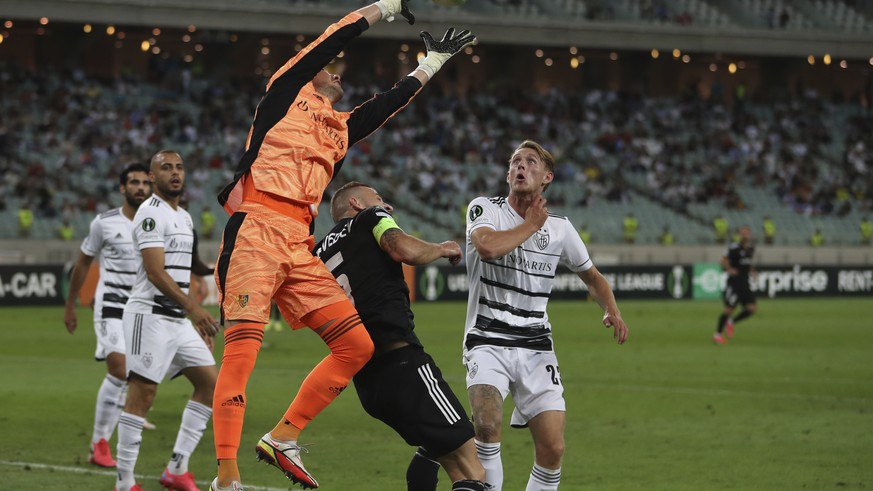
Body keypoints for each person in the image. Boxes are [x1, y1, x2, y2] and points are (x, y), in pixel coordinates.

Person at [210, 1, 476, 489]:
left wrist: (431, 63)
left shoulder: (337, 129)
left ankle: (282, 437)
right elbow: (335, 37)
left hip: (298, 241)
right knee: (242, 351)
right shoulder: (284, 92)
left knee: (356, 344)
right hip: (257, 226)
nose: (338, 76)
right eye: (331, 72)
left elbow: (386, 105)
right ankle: (227, 475)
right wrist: (388, 7)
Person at [463, 140, 629, 490]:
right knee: (487, 427)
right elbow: (488, 247)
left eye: (531, 162)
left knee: (553, 448)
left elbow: (593, 277)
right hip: (487, 338)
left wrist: (611, 309)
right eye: (515, 162)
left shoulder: (561, 228)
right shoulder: (484, 209)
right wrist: (532, 225)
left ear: (547, 177)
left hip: (536, 344)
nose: (520, 166)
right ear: (508, 173)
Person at [314, 182, 489, 491]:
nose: (387, 206)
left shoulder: (319, 251)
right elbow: (402, 249)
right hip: (401, 363)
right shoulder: (370, 217)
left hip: (366, 381)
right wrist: (441, 247)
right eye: (378, 198)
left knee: (437, 451)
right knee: (471, 469)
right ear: (356, 203)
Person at [115, 150, 219, 491]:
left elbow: (194, 266)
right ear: (152, 176)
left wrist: (224, 261)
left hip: (176, 318)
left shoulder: (185, 217)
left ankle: (177, 468)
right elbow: (155, 272)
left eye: (179, 167)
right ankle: (124, 481)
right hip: (150, 315)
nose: (175, 173)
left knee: (210, 386)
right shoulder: (150, 214)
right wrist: (195, 309)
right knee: (143, 394)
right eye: (165, 168)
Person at [64, 163, 152, 469]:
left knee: (136, 376)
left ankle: (115, 436)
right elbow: (83, 262)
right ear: (122, 188)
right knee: (119, 368)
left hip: (142, 307)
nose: (140, 187)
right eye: (134, 182)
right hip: (111, 303)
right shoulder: (104, 223)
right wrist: (72, 303)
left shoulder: (156, 222)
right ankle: (99, 443)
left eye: (144, 182)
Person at [713, 224, 757, 345]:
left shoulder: (751, 249)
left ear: (750, 234)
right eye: (742, 233)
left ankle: (731, 322)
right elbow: (723, 260)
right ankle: (717, 335)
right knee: (728, 310)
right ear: (739, 235)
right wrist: (729, 269)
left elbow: (748, 263)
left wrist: (752, 271)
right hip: (734, 284)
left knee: (751, 309)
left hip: (745, 283)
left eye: (747, 233)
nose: (745, 235)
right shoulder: (734, 247)